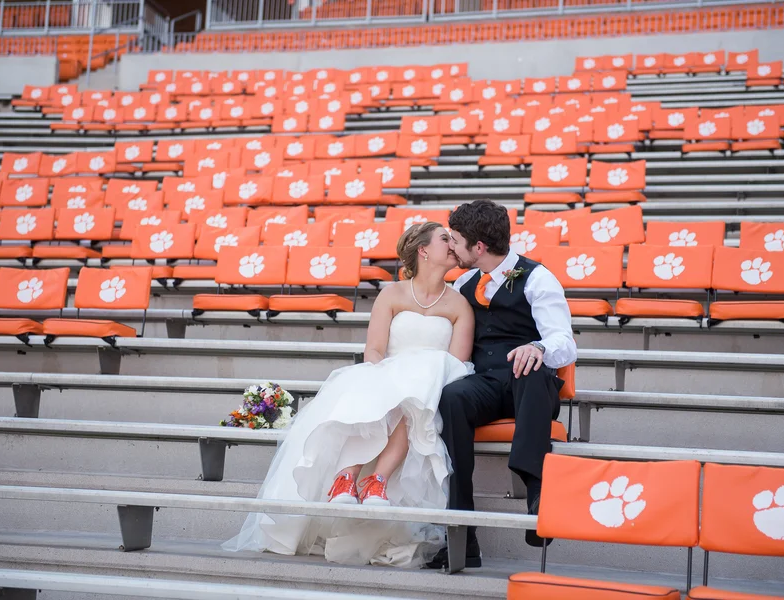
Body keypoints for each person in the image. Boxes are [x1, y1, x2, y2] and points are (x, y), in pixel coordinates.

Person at [223, 222, 475, 567]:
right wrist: (383, 375)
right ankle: (347, 479)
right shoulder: (392, 294)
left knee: (414, 396)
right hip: (388, 371)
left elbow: (457, 363)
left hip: (432, 383)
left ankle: (377, 481)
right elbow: (374, 348)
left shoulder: (460, 305)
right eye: (445, 238)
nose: (453, 245)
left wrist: (418, 382)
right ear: (424, 250)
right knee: (375, 393)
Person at [426, 200, 577, 570]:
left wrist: (538, 346)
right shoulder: (463, 283)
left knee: (532, 370)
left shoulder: (538, 277)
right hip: (485, 384)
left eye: (456, 240)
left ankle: (538, 493)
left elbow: (565, 342)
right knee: (452, 397)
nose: (451, 246)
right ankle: (462, 532)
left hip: (528, 389)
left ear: (478, 247)